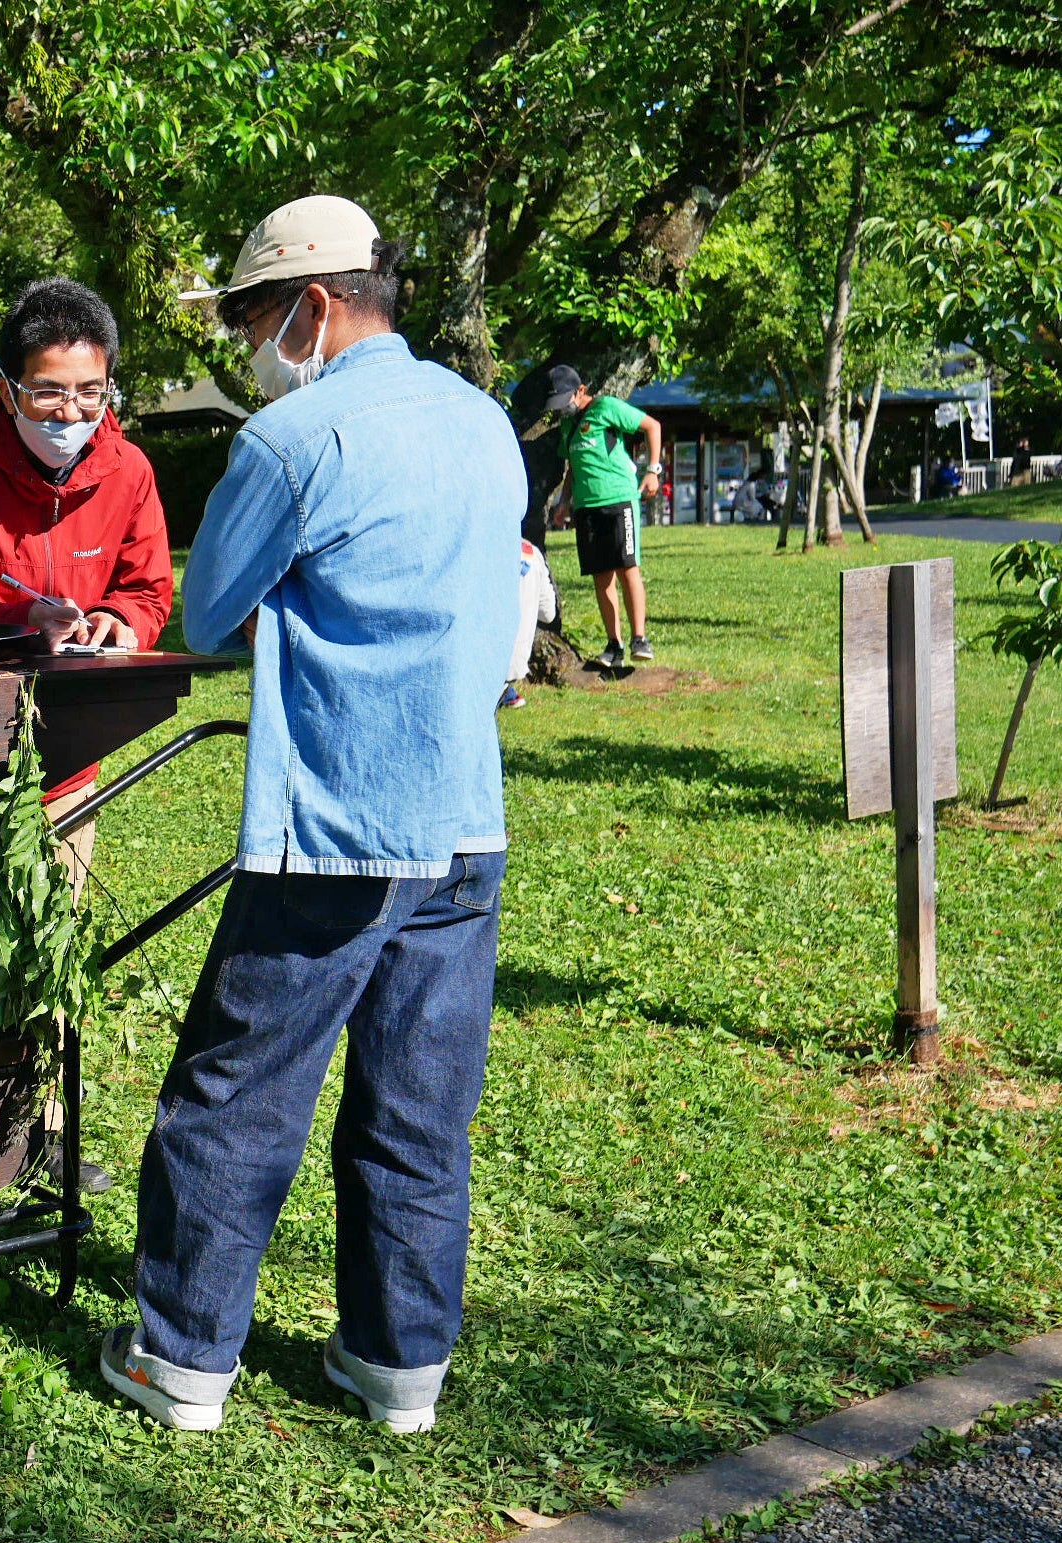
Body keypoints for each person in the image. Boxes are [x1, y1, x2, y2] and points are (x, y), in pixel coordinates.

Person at [95, 194, 523, 1435]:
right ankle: (399, 1368)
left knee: (236, 1096)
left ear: (312, 306)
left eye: (246, 315)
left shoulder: (292, 442)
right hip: (466, 822)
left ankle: (178, 1358)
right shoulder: (481, 419)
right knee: (416, 1107)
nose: (242, 339)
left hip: (336, 823)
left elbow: (209, 608)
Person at [0, 275, 174, 877]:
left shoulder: (130, 472)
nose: (71, 412)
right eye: (48, 392)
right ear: (6, 388)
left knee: (55, 926)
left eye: (90, 393)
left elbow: (147, 591)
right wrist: (18, 622)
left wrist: (119, 621)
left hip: (73, 746)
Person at [542, 364, 659, 670]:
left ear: (580, 390)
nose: (562, 408)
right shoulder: (568, 427)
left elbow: (652, 426)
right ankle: (614, 644)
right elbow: (572, 470)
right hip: (587, 508)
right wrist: (564, 503)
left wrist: (652, 471)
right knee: (601, 575)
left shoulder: (607, 407)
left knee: (627, 568)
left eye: (565, 399)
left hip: (619, 500)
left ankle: (640, 639)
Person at [504, 538, 557, 708]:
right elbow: (548, 614)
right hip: (517, 665)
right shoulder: (532, 551)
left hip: (485, 665)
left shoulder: (477, 545)